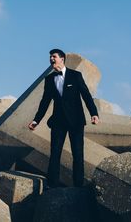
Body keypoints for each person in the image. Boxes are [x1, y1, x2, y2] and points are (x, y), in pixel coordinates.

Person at [28, 49, 99, 187]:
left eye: (54, 56)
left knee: (78, 155)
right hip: (58, 122)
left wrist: (94, 113)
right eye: (50, 57)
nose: (51, 59)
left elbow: (86, 95)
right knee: (55, 154)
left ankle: (78, 186)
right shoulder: (49, 80)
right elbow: (45, 102)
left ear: (62, 59)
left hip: (76, 121)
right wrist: (36, 120)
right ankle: (52, 185)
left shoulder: (75, 75)